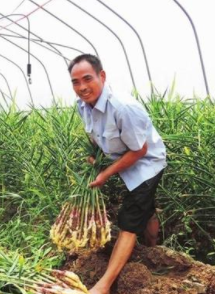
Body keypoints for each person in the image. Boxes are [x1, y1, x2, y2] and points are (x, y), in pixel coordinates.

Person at [68, 54, 166, 294]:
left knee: (129, 222)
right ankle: (152, 248)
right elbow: (96, 135)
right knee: (145, 208)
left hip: (146, 165)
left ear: (102, 76)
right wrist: (97, 157)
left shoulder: (123, 107)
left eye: (87, 79)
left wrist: (105, 174)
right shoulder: (83, 105)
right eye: (75, 82)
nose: (81, 87)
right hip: (124, 160)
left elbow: (139, 150)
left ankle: (104, 285)